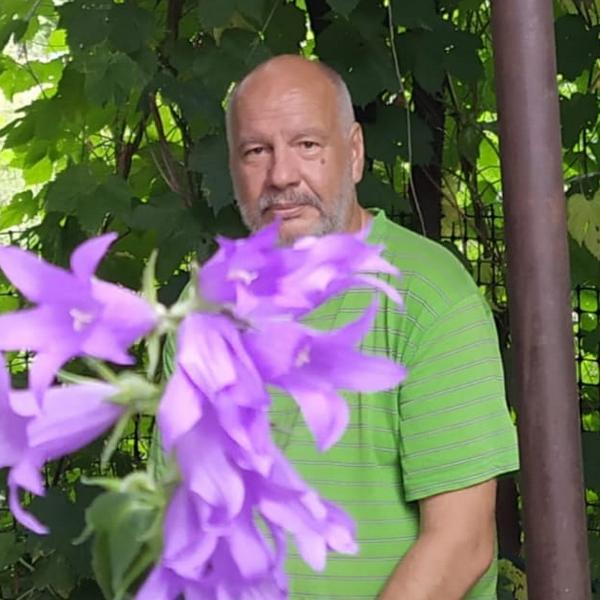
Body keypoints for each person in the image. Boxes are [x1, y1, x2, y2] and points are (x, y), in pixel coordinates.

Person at [223, 54, 519, 599]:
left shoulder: (429, 297)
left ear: (354, 152)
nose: (281, 175)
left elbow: (463, 542)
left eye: (307, 145)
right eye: (256, 151)